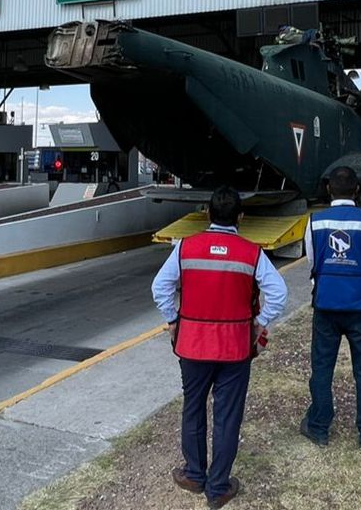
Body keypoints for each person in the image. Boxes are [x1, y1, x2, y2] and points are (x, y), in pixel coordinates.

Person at [152, 186, 288, 509]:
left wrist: (173, 319)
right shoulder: (251, 253)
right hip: (234, 349)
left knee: (193, 407)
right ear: (241, 218)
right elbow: (279, 293)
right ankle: (218, 488)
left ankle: (194, 474)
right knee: (227, 416)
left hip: (191, 345)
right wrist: (259, 322)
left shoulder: (185, 248)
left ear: (209, 214)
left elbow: (160, 286)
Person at [299, 167, 361, 450]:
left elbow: (312, 262)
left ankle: (318, 426)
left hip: (325, 304)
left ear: (329, 190)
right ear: (356, 191)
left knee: (322, 367)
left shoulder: (314, 222)